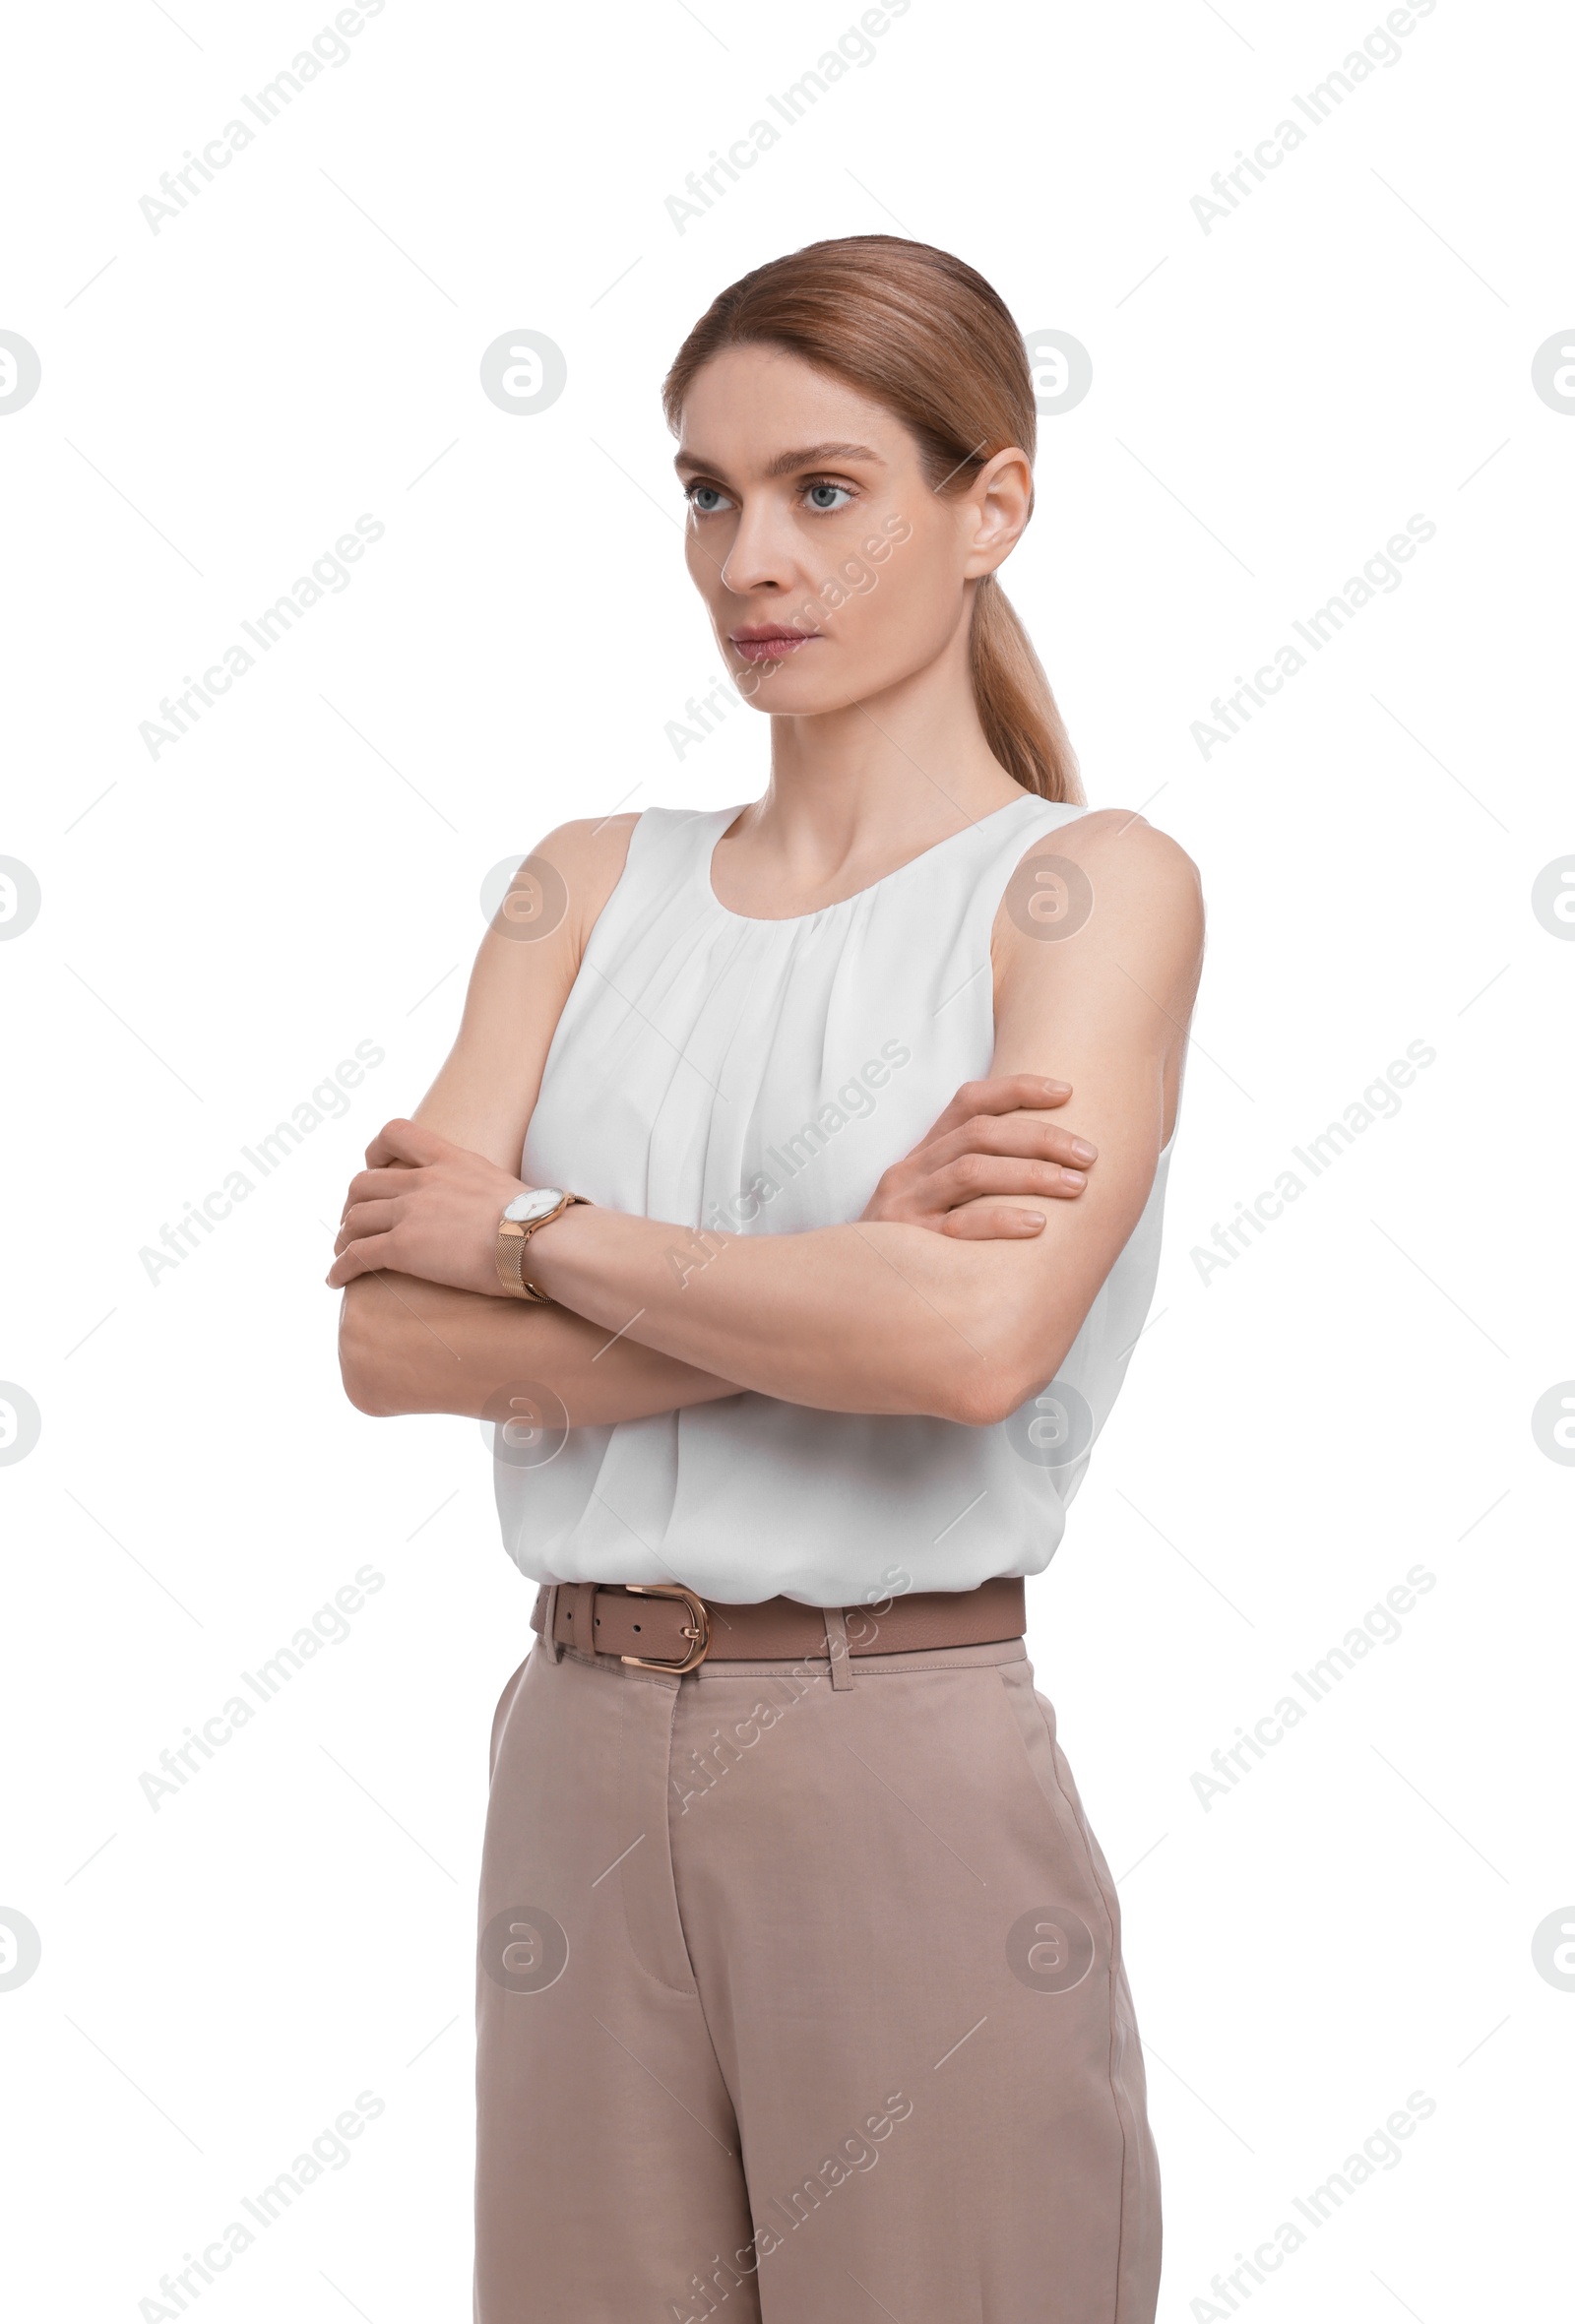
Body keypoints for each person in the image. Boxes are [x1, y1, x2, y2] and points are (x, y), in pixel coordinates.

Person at [329, 235, 1204, 2324]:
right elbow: (384, 1338)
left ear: (987, 503)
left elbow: (972, 1337)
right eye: (706, 493)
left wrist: (535, 1244)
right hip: (572, 1743)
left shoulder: (1084, 891)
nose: (750, 557)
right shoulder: (580, 881)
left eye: (824, 489)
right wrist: (832, 1285)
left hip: (885, 1739)